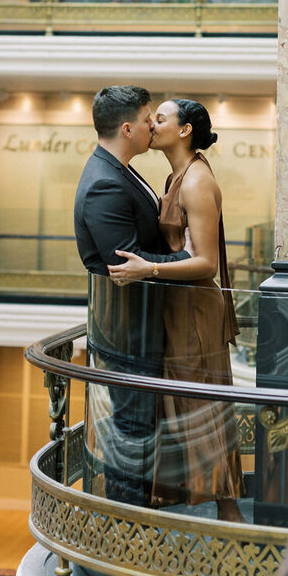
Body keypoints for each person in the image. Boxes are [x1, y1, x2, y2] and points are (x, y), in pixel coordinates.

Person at [108, 98, 245, 522]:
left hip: (196, 312)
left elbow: (206, 262)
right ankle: (195, 509)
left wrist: (147, 268)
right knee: (181, 407)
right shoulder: (176, 175)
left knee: (201, 408)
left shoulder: (196, 180)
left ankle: (229, 515)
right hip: (178, 306)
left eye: (160, 119)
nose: (152, 124)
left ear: (184, 131)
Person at [74, 85, 190, 504]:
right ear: (127, 129)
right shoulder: (105, 183)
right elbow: (127, 263)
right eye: (146, 120)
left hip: (140, 326)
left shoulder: (120, 169)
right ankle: (128, 539)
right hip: (127, 332)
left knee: (142, 432)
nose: (152, 126)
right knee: (131, 437)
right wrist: (190, 260)